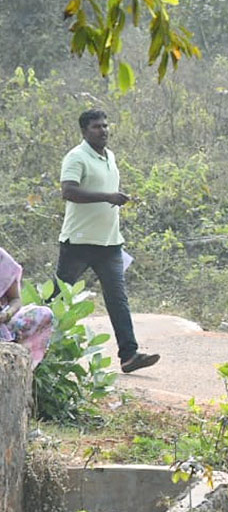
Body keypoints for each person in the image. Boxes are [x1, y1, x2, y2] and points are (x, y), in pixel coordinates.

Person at [56, 108, 160, 374]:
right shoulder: (76, 157)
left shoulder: (109, 156)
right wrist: (107, 196)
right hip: (78, 243)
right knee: (58, 299)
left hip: (110, 244)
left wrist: (115, 198)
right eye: (96, 127)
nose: (103, 130)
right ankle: (38, 347)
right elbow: (68, 191)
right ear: (84, 131)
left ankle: (129, 355)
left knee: (118, 299)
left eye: (105, 125)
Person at [0, 247, 54, 367]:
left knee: (43, 314)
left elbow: (15, 300)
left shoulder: (2, 259)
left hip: (2, 324)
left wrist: (6, 314)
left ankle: (18, 369)